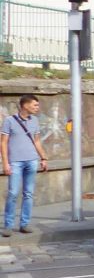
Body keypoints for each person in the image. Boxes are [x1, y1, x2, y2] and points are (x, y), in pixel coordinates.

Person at [2, 94, 49, 236]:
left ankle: (24, 224)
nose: (37, 107)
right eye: (35, 105)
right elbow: (3, 142)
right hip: (15, 162)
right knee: (13, 193)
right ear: (25, 105)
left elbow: (37, 141)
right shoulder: (9, 121)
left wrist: (43, 157)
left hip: (31, 160)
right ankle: (8, 225)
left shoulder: (34, 120)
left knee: (28, 194)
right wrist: (5, 163)